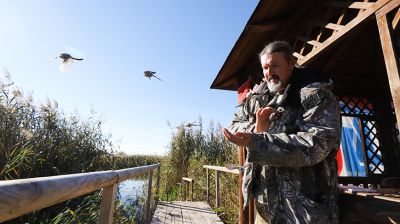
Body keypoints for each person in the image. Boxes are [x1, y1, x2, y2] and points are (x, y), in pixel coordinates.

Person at [222, 41, 341, 224]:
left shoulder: (316, 96)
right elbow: (235, 123)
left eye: (275, 65)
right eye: (265, 67)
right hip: (264, 207)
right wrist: (256, 130)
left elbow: (317, 144)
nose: (269, 73)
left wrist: (260, 141)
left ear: (291, 63)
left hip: (303, 212)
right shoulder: (257, 98)